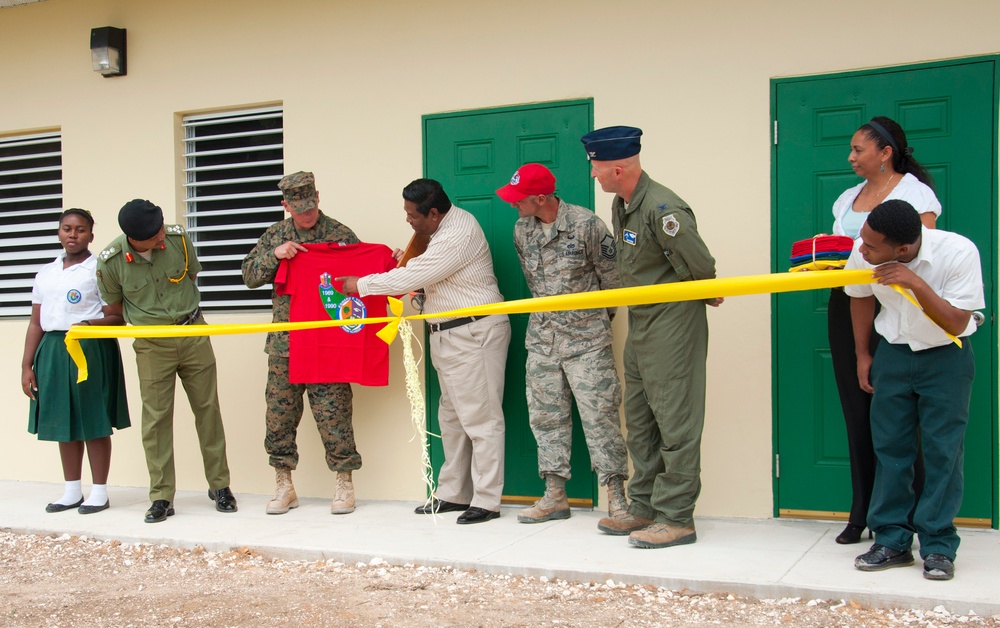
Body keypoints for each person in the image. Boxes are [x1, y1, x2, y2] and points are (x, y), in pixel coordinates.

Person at [339, 178, 511, 525]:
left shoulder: (457, 233)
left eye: (412, 215)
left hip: (473, 333)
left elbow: (413, 275)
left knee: (481, 419)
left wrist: (361, 285)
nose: (408, 221)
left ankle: (487, 500)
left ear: (433, 213)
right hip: (448, 334)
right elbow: (428, 276)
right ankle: (453, 493)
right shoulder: (439, 233)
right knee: (451, 419)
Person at [580, 126, 721, 549]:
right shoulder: (623, 204)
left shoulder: (663, 208)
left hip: (672, 326)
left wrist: (702, 293)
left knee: (675, 421)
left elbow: (701, 266)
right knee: (640, 421)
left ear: (617, 169)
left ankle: (677, 517)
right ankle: (643, 506)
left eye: (597, 169)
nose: (594, 177)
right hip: (642, 325)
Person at [846, 200, 983, 581]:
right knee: (890, 447)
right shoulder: (866, 250)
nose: (862, 250)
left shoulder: (957, 252)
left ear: (902, 250)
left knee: (944, 451)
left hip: (946, 357)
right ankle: (891, 541)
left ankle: (938, 546)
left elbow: (958, 323)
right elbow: (859, 295)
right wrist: (862, 354)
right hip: (893, 353)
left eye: (872, 247)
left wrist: (915, 283)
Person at [495, 163, 630, 528]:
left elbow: (612, 283)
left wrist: (593, 323)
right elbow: (534, 281)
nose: (512, 205)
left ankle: (617, 497)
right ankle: (555, 495)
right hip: (543, 340)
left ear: (540, 198)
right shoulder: (522, 230)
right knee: (545, 417)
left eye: (518, 199)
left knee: (600, 416)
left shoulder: (587, 225)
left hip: (587, 342)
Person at [828, 116, 939, 544]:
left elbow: (918, 249)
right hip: (849, 304)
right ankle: (864, 512)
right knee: (857, 410)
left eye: (859, 149)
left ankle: (911, 518)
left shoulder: (916, 194)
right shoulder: (846, 198)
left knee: (900, 417)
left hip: (898, 306)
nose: (851, 157)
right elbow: (849, 254)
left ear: (885, 152)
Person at [96, 199, 236, 523]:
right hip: (152, 344)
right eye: (154, 237)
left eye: (161, 230)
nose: (161, 239)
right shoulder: (111, 263)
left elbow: (191, 280)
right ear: (133, 238)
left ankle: (220, 486)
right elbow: (114, 312)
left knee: (208, 410)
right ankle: (161, 496)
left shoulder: (177, 239)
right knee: (156, 420)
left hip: (193, 333)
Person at [241, 171, 365, 515]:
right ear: (286, 206)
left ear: (318, 198)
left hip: (327, 344)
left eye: (310, 208)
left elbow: (362, 276)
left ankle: (344, 484)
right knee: (279, 417)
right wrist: (275, 255)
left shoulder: (340, 234)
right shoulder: (276, 235)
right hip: (285, 345)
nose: (306, 215)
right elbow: (249, 274)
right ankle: (284, 485)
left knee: (334, 414)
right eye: (299, 210)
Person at [21, 208, 130, 515]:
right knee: (62, 419)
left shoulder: (100, 270)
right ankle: (71, 490)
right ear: (59, 233)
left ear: (90, 236)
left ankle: (99, 491)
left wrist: (88, 326)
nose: (73, 234)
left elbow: (117, 317)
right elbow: (35, 323)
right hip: (54, 349)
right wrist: (27, 365)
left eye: (80, 229)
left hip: (89, 347)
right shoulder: (46, 273)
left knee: (92, 418)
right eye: (67, 228)